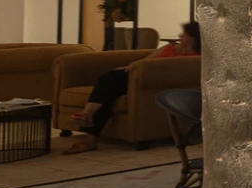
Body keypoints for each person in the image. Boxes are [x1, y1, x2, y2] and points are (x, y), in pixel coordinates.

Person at [66, 21, 199, 153]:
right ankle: (89, 126)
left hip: (151, 83)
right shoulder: (170, 47)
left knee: (109, 84)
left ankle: (88, 121)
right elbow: (144, 61)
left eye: (184, 34)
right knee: (109, 91)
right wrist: (132, 67)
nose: (180, 35)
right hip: (136, 78)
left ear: (192, 37)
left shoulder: (196, 57)